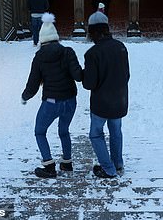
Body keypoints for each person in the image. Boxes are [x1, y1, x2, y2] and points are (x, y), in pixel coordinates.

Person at [21, 13, 83, 178]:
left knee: (40, 131)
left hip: (51, 102)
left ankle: (48, 166)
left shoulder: (39, 57)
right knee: (64, 130)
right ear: (56, 37)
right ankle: (67, 163)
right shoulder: (68, 52)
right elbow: (78, 76)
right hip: (70, 101)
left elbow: (33, 83)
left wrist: (25, 96)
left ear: (42, 39)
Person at [83, 11, 130, 179]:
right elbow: (127, 75)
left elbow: (89, 83)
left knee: (96, 133)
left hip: (101, 103)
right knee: (116, 131)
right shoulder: (121, 47)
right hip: (120, 100)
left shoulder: (92, 53)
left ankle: (108, 169)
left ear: (93, 32)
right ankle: (118, 164)